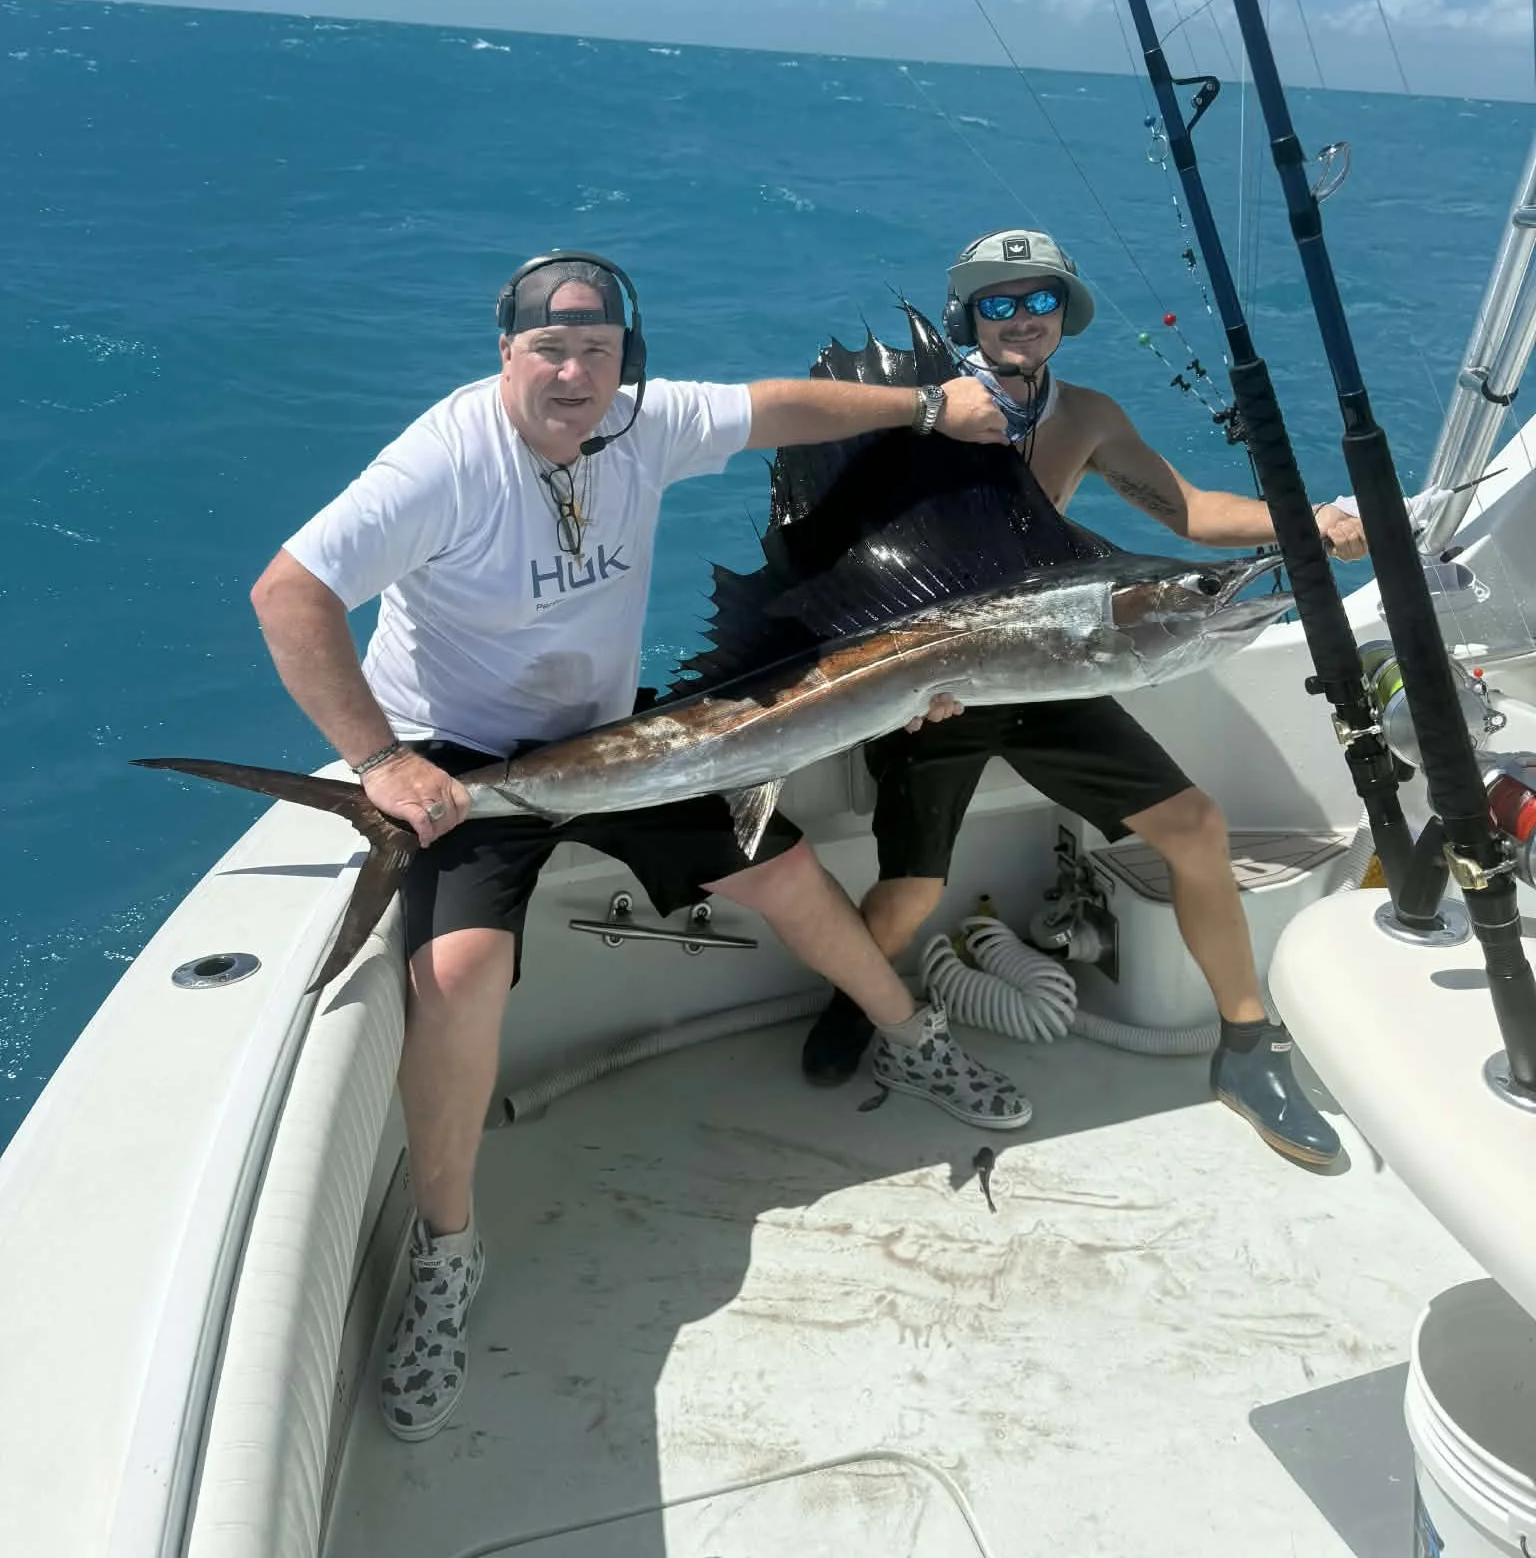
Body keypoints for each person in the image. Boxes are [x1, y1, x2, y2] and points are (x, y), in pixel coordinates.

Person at [250, 250, 1031, 1441]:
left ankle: (910, 1033)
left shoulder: (643, 422)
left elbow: (778, 407)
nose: (572, 372)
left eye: (598, 351)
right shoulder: (444, 459)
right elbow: (289, 592)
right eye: (548, 349)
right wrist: (379, 761)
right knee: (456, 976)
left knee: (783, 868)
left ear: (628, 358)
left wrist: (930, 406)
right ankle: (447, 1249)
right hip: (466, 764)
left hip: (616, 746)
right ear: (505, 349)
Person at [800, 228, 1368, 1169]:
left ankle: (1244, 1048)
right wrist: (902, 679)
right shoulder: (921, 408)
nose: (1022, 319)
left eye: (1040, 301)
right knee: (910, 896)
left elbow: (1186, 513)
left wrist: (1308, 522)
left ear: (1065, 313)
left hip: (1049, 673)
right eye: (999, 303)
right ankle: (857, 996)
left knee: (1195, 829)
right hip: (932, 686)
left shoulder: (1088, 416)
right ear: (967, 316)